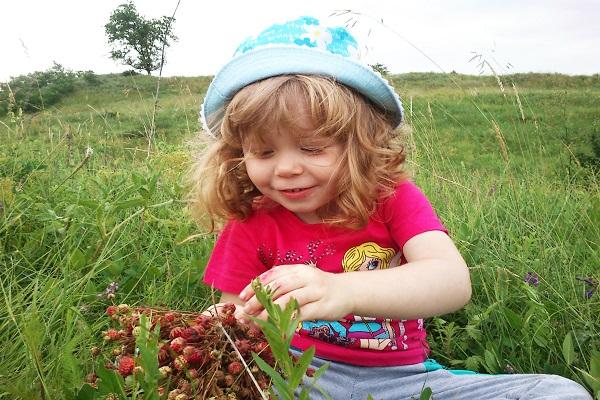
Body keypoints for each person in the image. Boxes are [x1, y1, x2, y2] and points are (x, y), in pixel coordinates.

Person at [189, 15, 592, 400]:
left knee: (558, 392)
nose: (287, 168)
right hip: (291, 378)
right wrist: (229, 321)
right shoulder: (251, 220)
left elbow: (450, 281)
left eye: (312, 148)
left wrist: (341, 289)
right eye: (263, 151)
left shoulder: (392, 199)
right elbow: (237, 311)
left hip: (402, 383)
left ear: (361, 143)